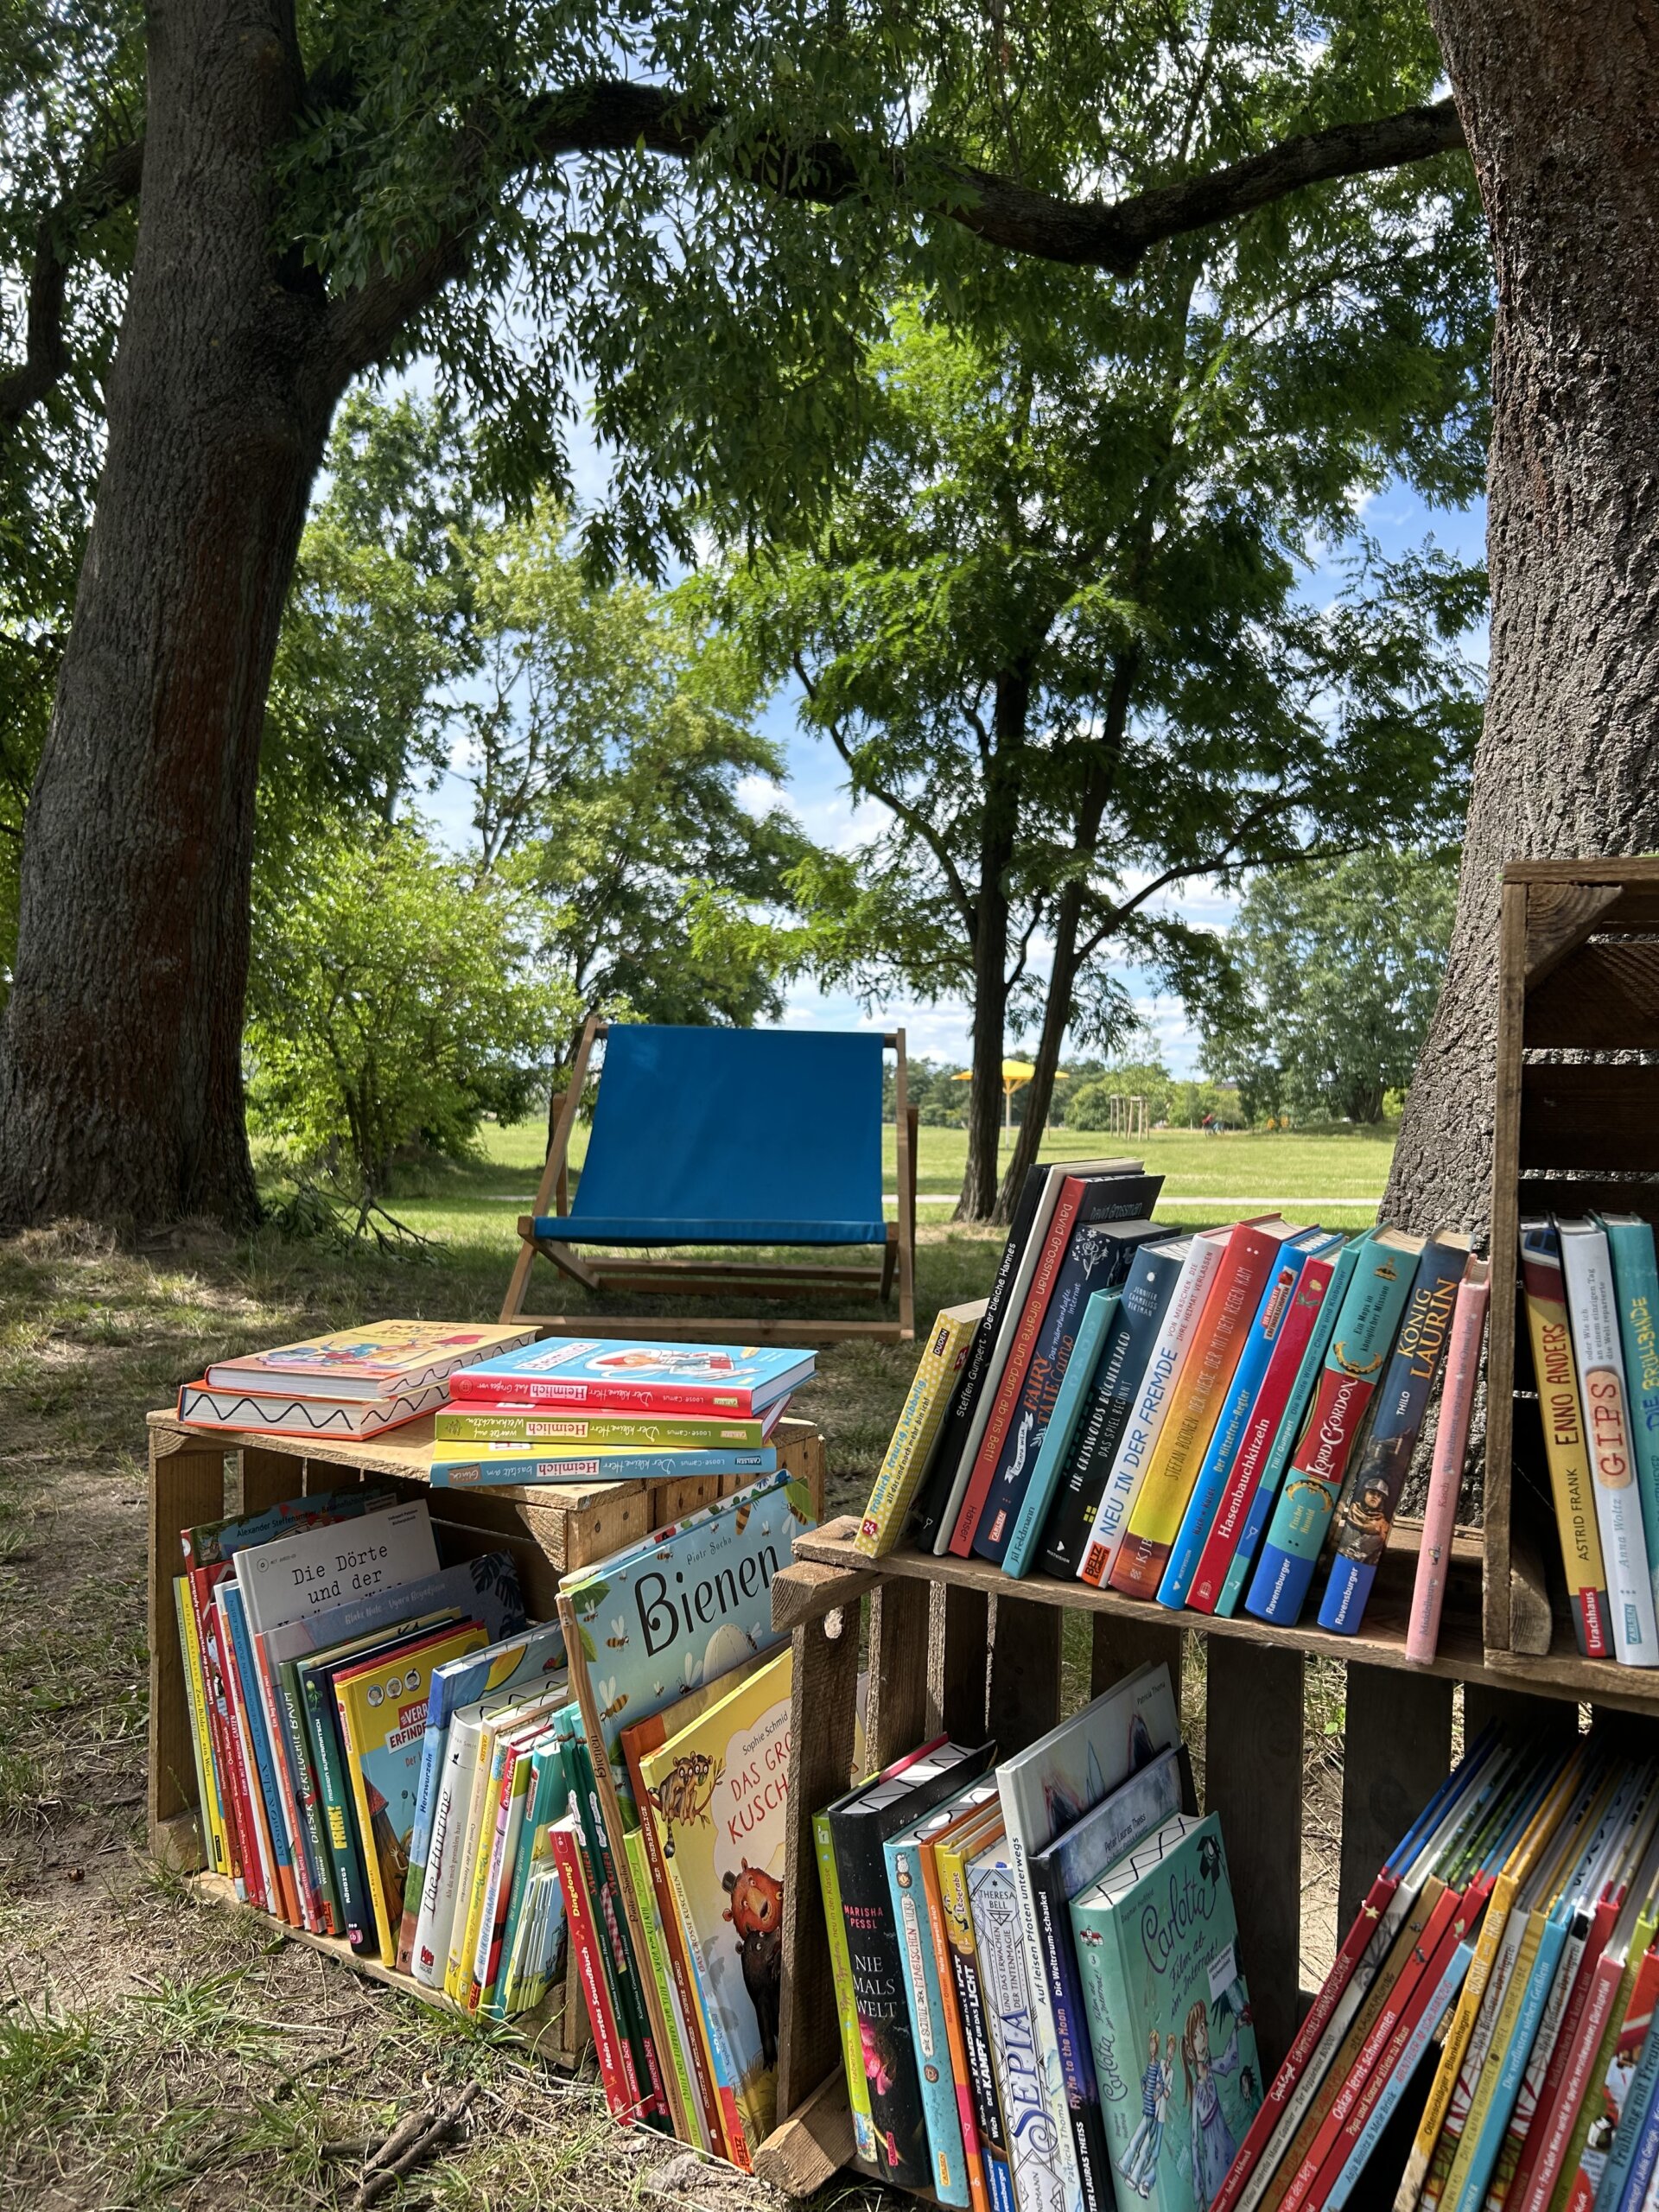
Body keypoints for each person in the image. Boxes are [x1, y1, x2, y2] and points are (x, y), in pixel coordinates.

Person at [1183, 1999, 1243, 2204]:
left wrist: (1236, 2027)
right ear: (1189, 2050)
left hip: (1227, 2146)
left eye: (1203, 2027)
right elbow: (1194, 2142)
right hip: (1213, 2167)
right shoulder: (1195, 2094)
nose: (1203, 2037)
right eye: (1196, 2035)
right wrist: (1199, 2195)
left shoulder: (1210, 2069)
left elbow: (1228, 2061)